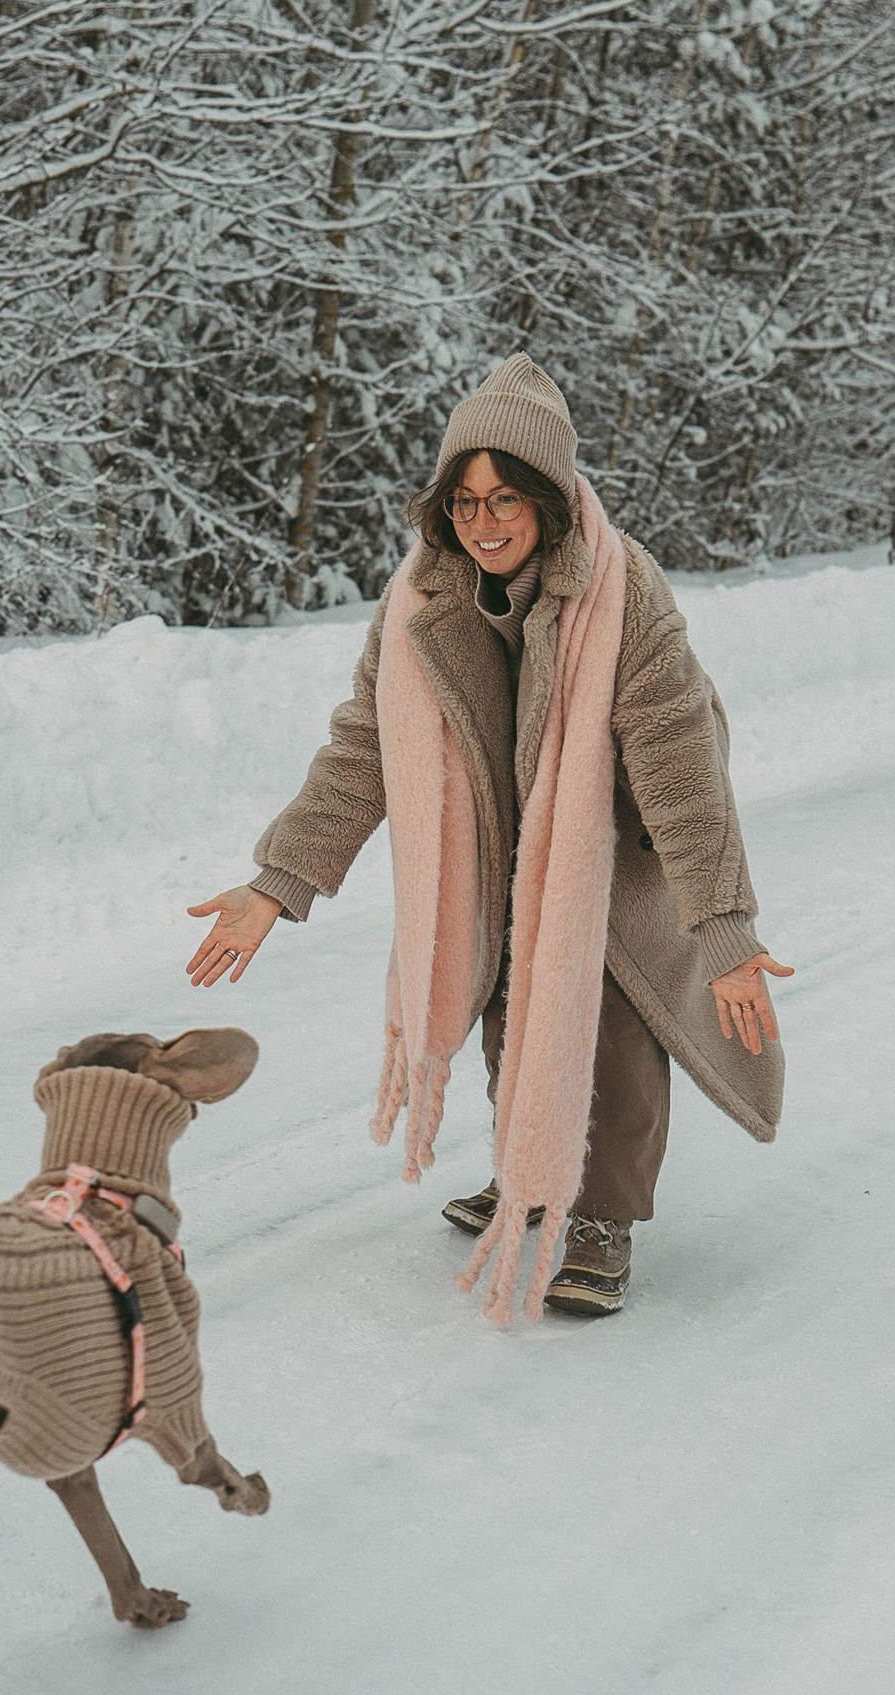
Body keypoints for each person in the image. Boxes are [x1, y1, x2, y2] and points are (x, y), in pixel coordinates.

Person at [185, 353, 789, 1321]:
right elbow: (364, 748)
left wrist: (721, 926)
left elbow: (680, 770)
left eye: (505, 497)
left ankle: (600, 1215)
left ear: (548, 501)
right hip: (503, 831)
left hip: (615, 828)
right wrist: (278, 880)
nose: (483, 522)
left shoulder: (622, 592)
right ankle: (532, 1168)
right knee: (513, 994)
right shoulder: (420, 600)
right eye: (463, 503)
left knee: (610, 1010)